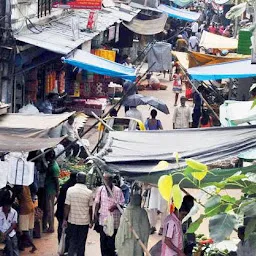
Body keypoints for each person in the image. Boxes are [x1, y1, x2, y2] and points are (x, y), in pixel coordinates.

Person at [63, 172, 93, 256]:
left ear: (77, 179)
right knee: (81, 243)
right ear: (85, 180)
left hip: (72, 221)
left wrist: (65, 219)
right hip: (84, 222)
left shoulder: (70, 190)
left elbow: (67, 206)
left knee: (72, 241)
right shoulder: (89, 192)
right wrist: (91, 221)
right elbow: (90, 209)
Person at [94, 173, 125, 256]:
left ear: (111, 180)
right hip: (103, 221)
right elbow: (97, 203)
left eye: (107, 179)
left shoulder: (118, 190)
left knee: (112, 242)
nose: (105, 181)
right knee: (103, 242)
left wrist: (115, 207)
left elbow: (122, 203)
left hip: (114, 221)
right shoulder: (100, 190)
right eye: (104, 179)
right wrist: (95, 216)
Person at [56, 171, 77, 242]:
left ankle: (61, 244)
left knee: (61, 229)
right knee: (68, 230)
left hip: (60, 211)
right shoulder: (72, 188)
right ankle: (66, 246)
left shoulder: (65, 185)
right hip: (67, 212)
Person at [16, 186, 37, 253]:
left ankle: (33, 246)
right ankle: (23, 245)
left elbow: (19, 198)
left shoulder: (19, 187)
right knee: (29, 228)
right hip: (31, 206)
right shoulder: (26, 185)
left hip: (24, 209)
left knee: (24, 230)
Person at [44, 149, 60, 233]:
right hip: (49, 189)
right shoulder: (52, 164)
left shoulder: (54, 167)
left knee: (49, 209)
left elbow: (56, 181)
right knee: (48, 208)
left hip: (51, 190)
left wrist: (57, 192)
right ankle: (49, 225)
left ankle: (51, 227)